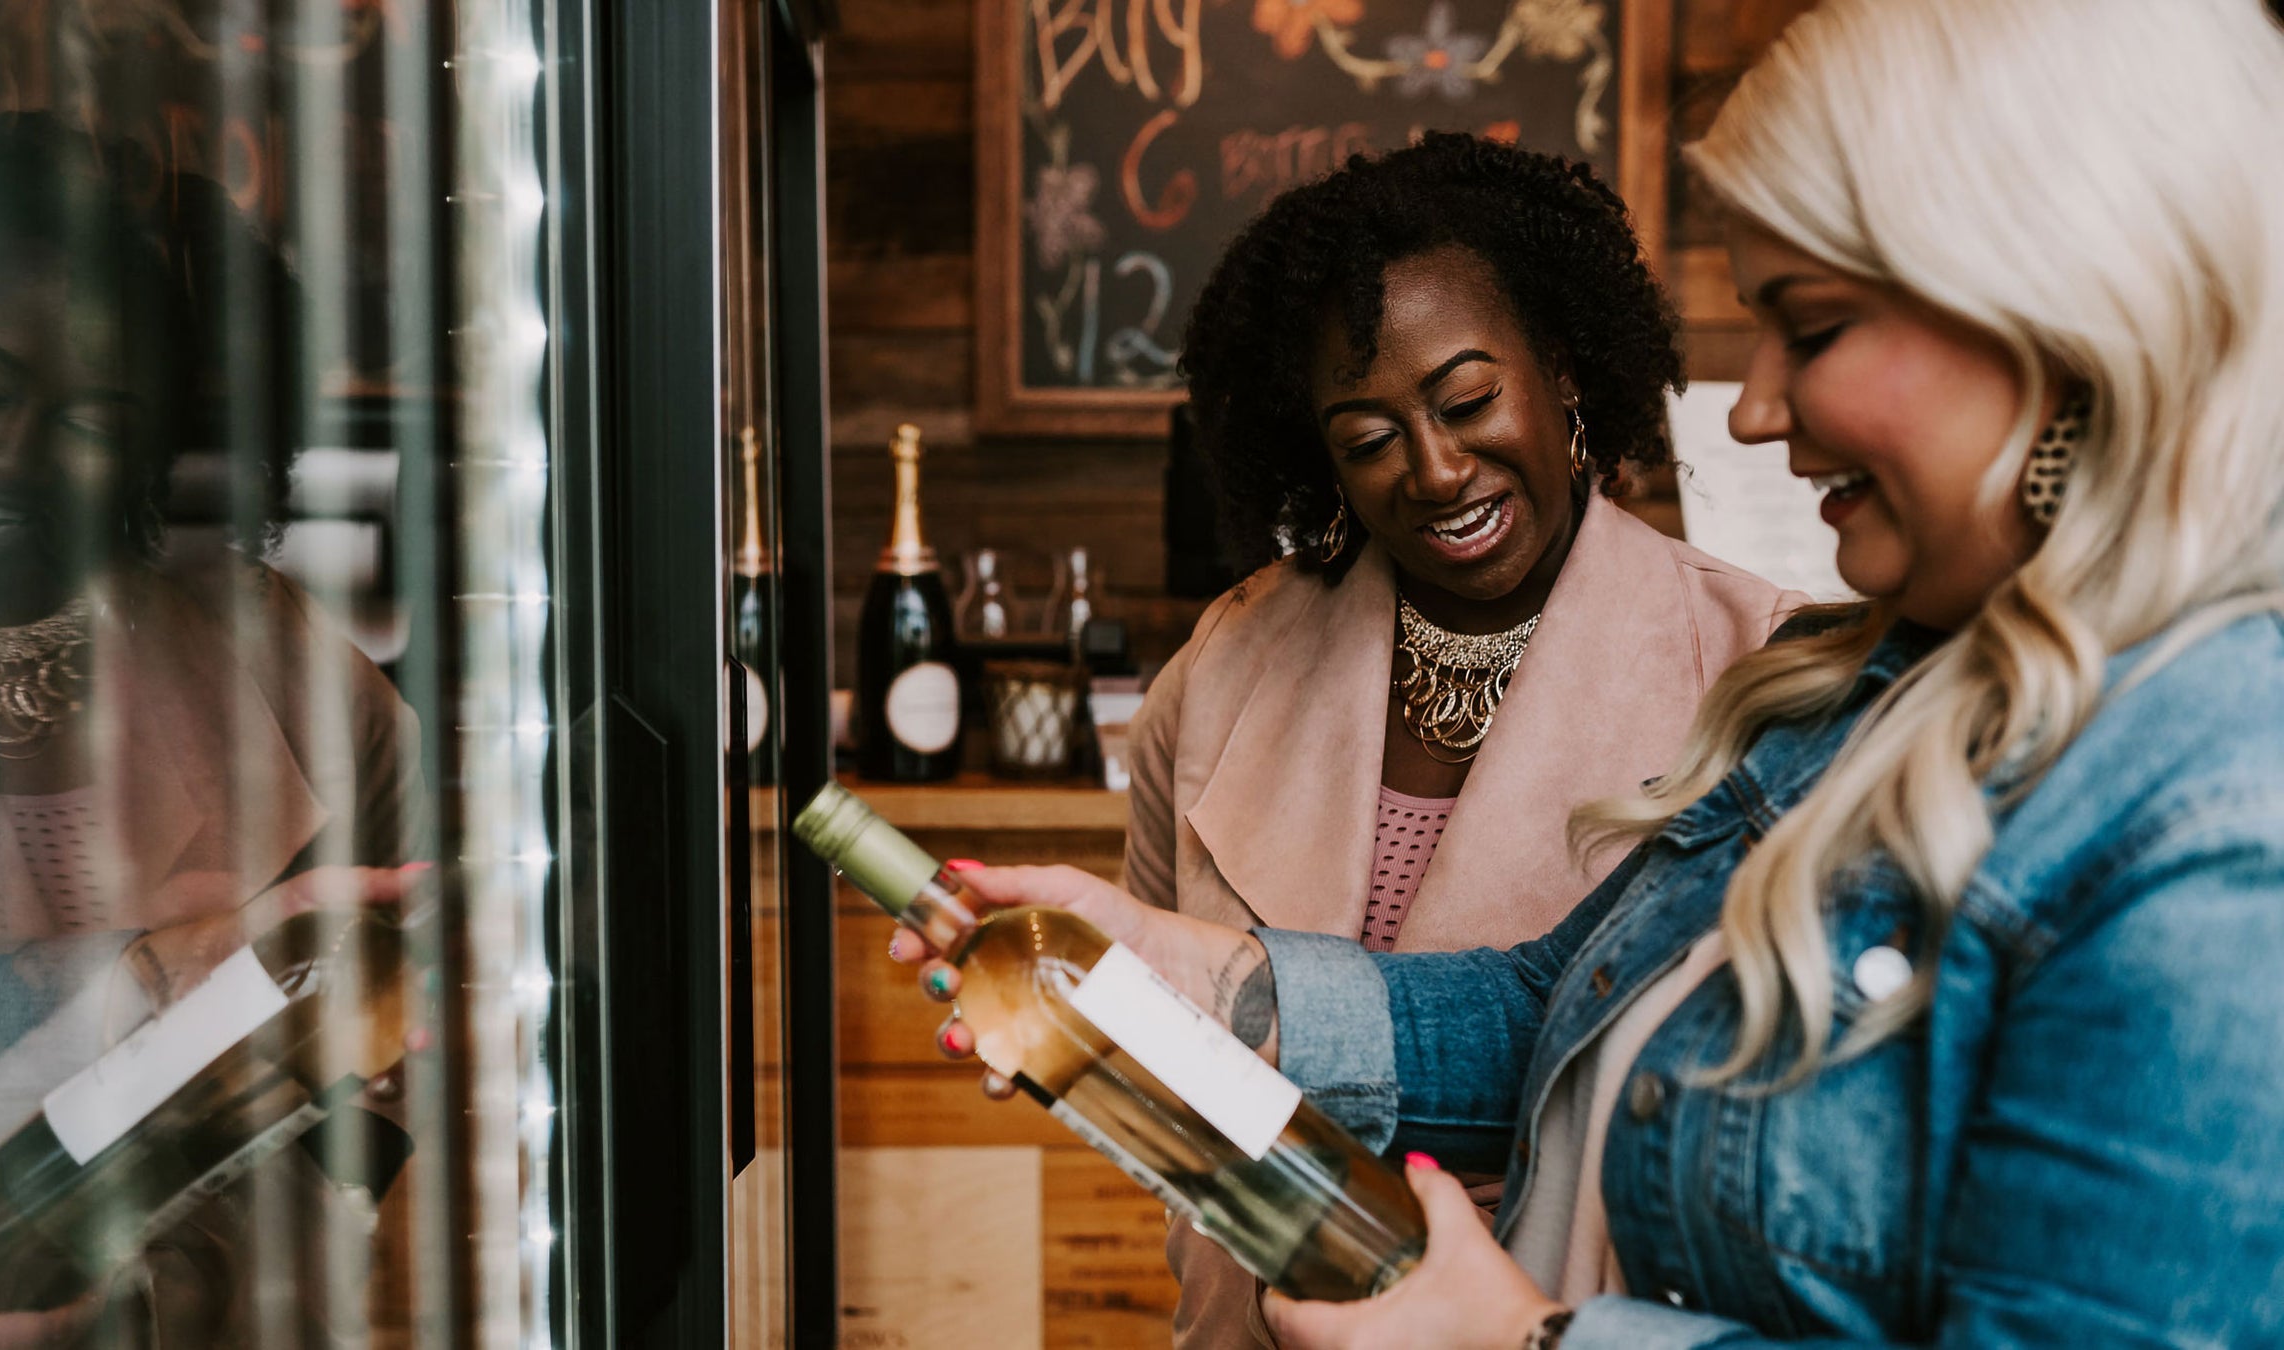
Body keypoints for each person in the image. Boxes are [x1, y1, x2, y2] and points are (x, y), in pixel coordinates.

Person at [909, 0, 2284, 1344]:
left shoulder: (2220, 830)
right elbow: (1551, 1011)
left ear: (2066, 318)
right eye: (1371, 430)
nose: (1749, 406)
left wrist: (1524, 1336)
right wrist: (1195, 975)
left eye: (1806, 327)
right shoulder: (1876, 685)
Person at [1109, 133, 1799, 1345]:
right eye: (1368, 440)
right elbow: (1168, 1065)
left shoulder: (1764, 672)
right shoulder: (1221, 668)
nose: (1434, 470)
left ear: (1568, 367)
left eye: (1469, 401)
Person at [0, 119, 424, 1347]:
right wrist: (144, 979)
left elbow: (468, 922)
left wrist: (342, 1142)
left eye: (91, 421)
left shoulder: (258, 650)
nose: (12, 452)